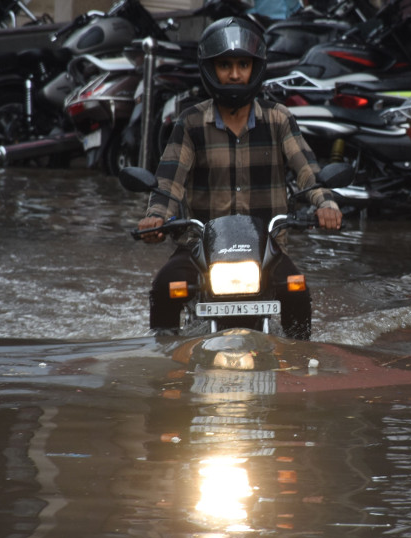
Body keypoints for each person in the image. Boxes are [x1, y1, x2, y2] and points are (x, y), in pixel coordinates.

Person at [136, 16, 342, 340]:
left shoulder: (278, 118)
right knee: (165, 287)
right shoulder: (190, 123)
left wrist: (325, 203)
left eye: (243, 64)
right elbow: (169, 181)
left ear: (255, 67)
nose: (234, 74)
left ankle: (300, 367)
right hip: (199, 250)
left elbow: (308, 171)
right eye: (225, 65)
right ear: (210, 69)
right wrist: (155, 217)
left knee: (297, 292)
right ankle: (164, 367)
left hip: (266, 252)